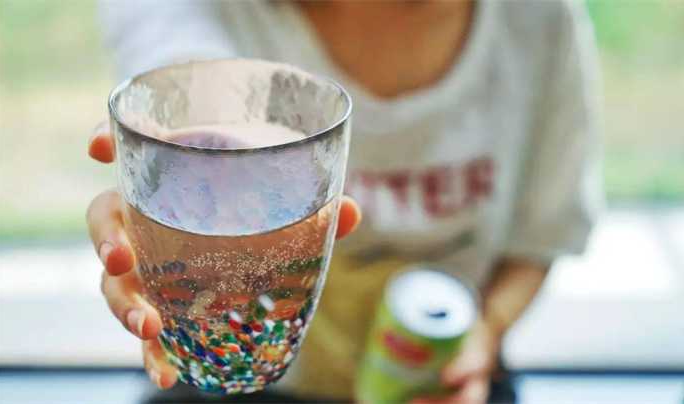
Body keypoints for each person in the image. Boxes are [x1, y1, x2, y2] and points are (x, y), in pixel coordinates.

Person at [88, 1, 602, 403]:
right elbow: (181, 74)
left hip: (441, 375)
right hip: (225, 372)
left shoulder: (538, 20)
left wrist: (485, 332)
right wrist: (180, 156)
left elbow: (541, 236)